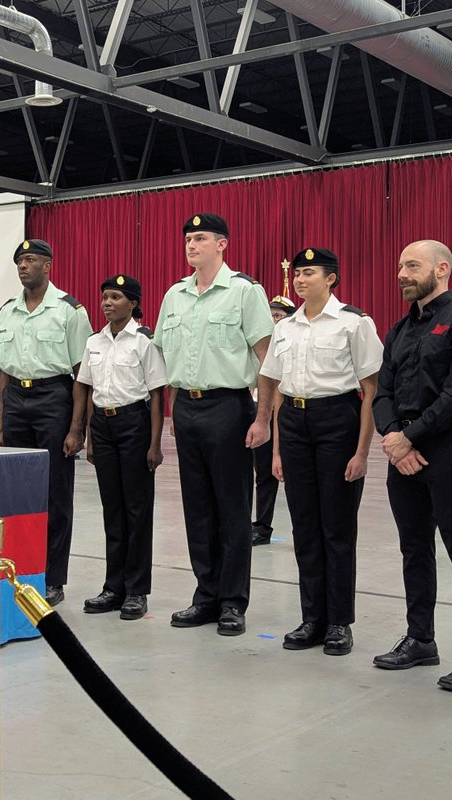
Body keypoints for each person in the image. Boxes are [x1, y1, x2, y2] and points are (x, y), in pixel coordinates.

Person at [371, 239, 452, 692]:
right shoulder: (399, 328)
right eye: (400, 266)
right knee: (414, 547)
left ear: (441, 268)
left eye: (412, 265)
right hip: (402, 450)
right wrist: (393, 438)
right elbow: (382, 391)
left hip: (448, 448)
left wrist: (410, 437)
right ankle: (420, 639)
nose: (402, 273)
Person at [259, 248, 383, 657]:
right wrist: (277, 450)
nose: (299, 280)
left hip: (337, 421)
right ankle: (312, 617)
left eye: (309, 273)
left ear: (331, 278)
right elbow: (275, 390)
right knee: (304, 528)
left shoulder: (353, 322)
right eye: (297, 273)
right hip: (294, 423)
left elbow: (370, 392)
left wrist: (363, 452)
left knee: (337, 527)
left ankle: (338, 622)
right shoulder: (286, 327)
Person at [154, 213, 273, 637]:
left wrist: (263, 417)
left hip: (229, 408)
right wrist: (172, 413)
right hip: (187, 406)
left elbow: (266, 358)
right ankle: (205, 594)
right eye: (188, 238)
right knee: (198, 508)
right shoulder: (175, 295)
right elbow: (165, 357)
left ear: (222, 244)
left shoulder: (244, 292)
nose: (191, 245)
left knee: (232, 508)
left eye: (200, 238)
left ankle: (232, 601)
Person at [0, 241, 94, 606]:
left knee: (55, 493)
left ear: (48, 265)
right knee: (15, 492)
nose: (23, 266)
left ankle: (52, 578)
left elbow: (82, 374)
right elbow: (1, 371)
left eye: (30, 260)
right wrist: (2, 424)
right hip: (16, 398)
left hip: (54, 398)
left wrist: (77, 427)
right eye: (19, 260)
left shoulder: (69, 310)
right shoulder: (6, 311)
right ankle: (20, 569)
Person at [74, 274, 166, 621]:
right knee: (112, 509)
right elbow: (85, 387)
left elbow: (157, 394)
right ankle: (113, 587)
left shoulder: (144, 342)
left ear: (133, 303)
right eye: (104, 297)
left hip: (135, 426)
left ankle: (137, 590)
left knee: (136, 510)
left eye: (115, 297)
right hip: (104, 425)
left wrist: (155, 444)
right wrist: (87, 435)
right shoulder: (94, 342)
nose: (107, 303)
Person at [253, 296, 296, 546]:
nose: (273, 320)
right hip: (258, 411)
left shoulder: (289, 342)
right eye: (271, 315)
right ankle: (261, 524)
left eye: (278, 316)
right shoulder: (258, 343)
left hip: (283, 413)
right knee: (262, 474)